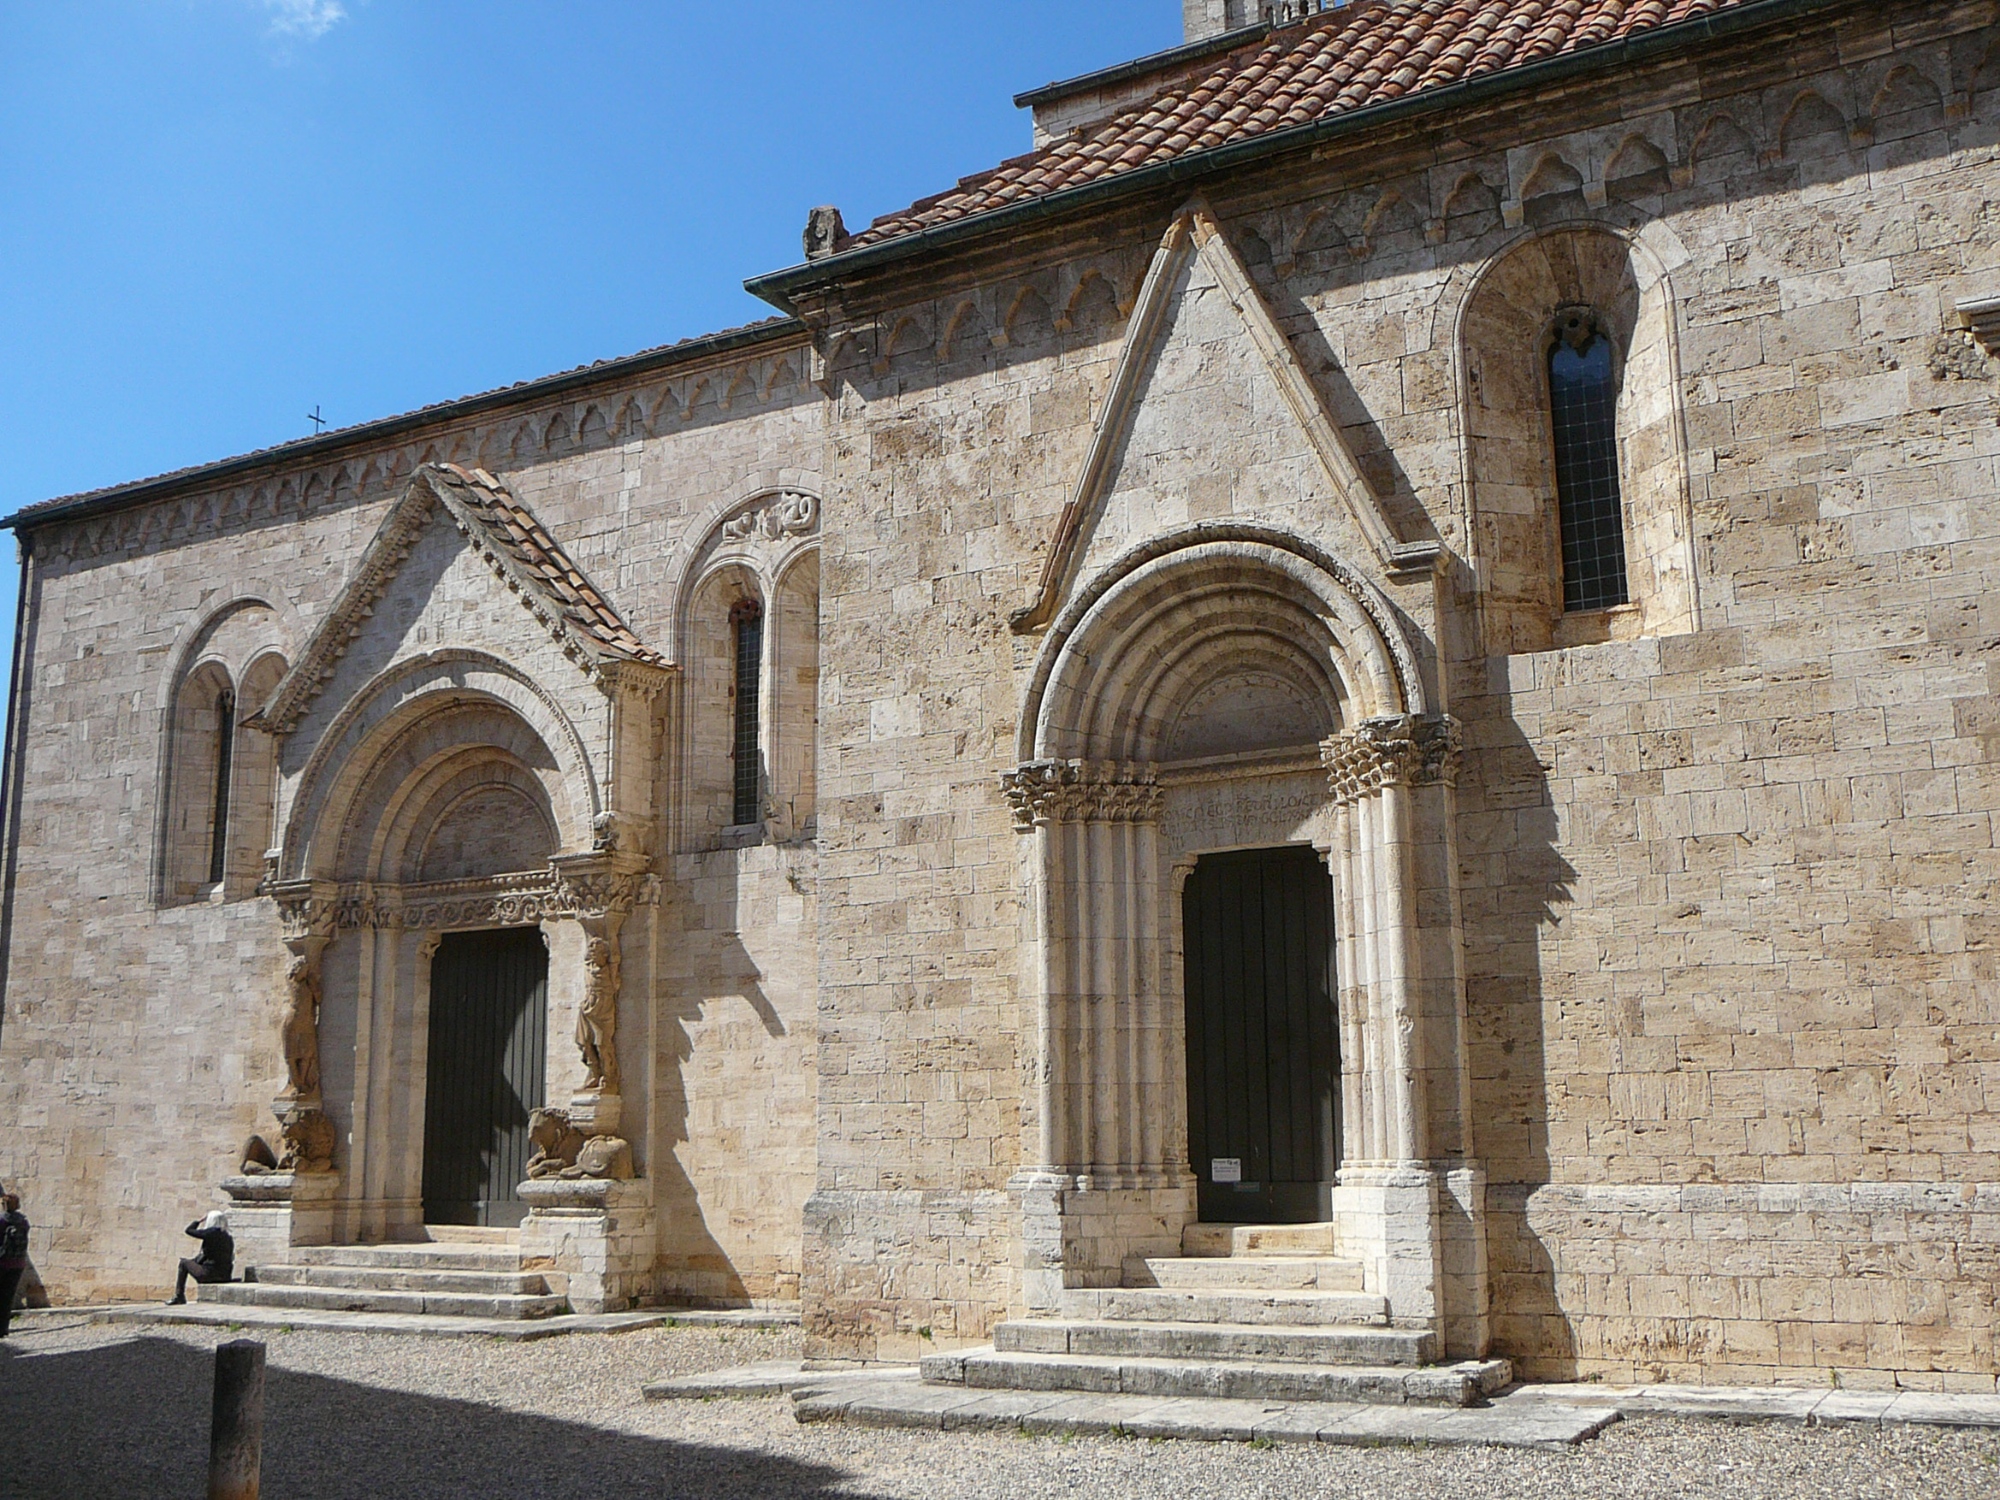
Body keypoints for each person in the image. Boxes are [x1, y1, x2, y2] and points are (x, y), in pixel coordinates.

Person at [169, 1210, 234, 1305]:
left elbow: (189, 1230)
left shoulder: (210, 1233)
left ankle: (179, 1296)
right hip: (225, 1275)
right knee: (193, 1261)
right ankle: (179, 1296)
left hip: (210, 1274)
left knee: (183, 1263)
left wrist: (199, 1221)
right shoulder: (227, 1236)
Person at [0, 1193, 28, 1337]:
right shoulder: (23, 1221)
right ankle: (3, 1328)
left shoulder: (2, 1221)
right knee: (7, 1297)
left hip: (2, 1262)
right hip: (18, 1263)